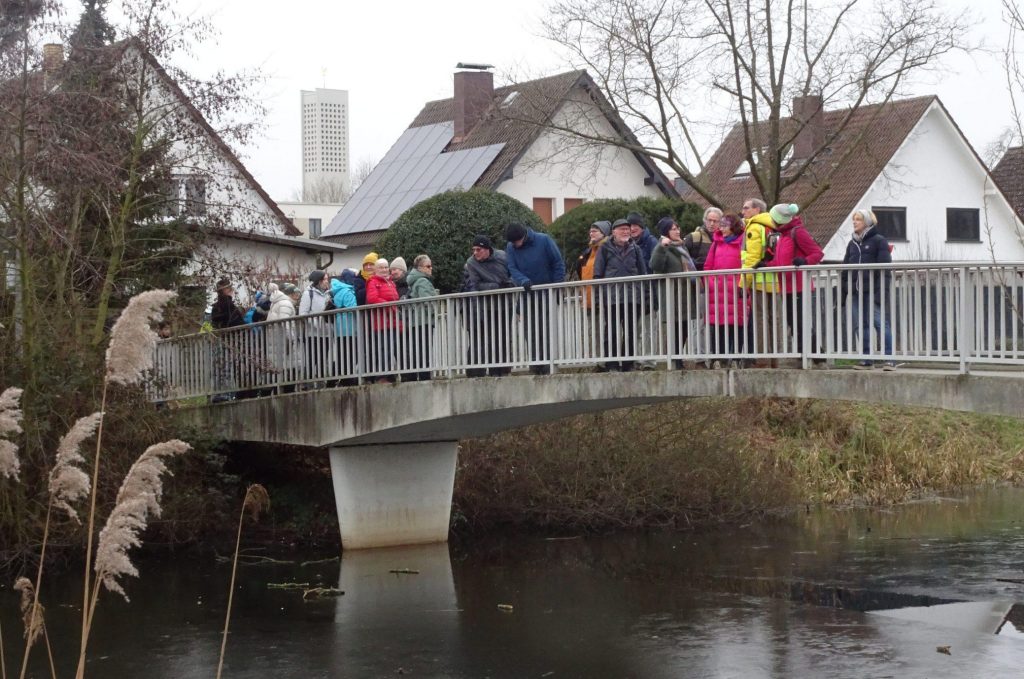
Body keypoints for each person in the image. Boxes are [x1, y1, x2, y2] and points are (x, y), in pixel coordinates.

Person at [764, 204, 825, 361]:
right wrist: (765, 265)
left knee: (800, 322)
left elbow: (817, 253)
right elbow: (781, 262)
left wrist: (804, 261)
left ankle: (811, 355)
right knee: (793, 321)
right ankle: (810, 354)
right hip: (787, 286)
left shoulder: (797, 232)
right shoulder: (783, 235)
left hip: (799, 285)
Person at [504, 222, 565, 375]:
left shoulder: (543, 240)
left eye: (517, 241)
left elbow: (558, 263)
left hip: (546, 291)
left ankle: (548, 365)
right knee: (529, 331)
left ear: (524, 236)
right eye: (513, 242)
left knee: (546, 329)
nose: (516, 245)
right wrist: (522, 280)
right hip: (526, 293)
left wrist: (557, 288)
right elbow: (512, 268)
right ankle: (535, 364)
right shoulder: (511, 247)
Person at [842, 208, 895, 370]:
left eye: (858, 219)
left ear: (867, 222)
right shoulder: (852, 243)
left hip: (872, 291)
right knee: (860, 325)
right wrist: (844, 290)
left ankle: (889, 359)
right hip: (856, 292)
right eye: (854, 219)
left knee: (879, 323)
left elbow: (884, 269)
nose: (854, 222)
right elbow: (845, 268)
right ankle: (866, 359)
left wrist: (880, 293)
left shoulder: (879, 241)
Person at [593, 219, 646, 371]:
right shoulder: (604, 248)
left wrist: (646, 298)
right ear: (613, 232)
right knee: (612, 331)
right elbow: (598, 274)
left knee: (631, 331)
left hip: (632, 297)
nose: (626, 232)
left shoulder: (635, 249)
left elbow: (643, 274)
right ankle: (612, 363)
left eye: (628, 229)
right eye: (622, 229)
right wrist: (599, 299)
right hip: (612, 298)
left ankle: (628, 363)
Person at [704, 214, 753, 367]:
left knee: (737, 325)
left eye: (725, 225)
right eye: (722, 225)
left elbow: (746, 264)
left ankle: (736, 357)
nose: (722, 228)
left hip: (736, 290)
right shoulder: (716, 243)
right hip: (717, 291)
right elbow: (708, 266)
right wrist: (710, 283)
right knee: (718, 325)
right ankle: (720, 358)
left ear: (733, 227)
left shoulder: (742, 242)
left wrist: (743, 284)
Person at [462, 235, 514, 377]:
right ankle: (491, 369)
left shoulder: (502, 256)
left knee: (503, 337)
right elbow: (474, 286)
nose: (475, 252)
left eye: (478, 249)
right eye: (473, 249)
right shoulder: (472, 263)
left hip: (505, 304)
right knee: (490, 338)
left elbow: (514, 272)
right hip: (488, 306)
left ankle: (503, 369)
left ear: (487, 249)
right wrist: (496, 286)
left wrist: (510, 282)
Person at [650, 216, 697, 369]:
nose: (677, 231)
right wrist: (661, 247)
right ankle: (675, 361)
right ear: (666, 232)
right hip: (672, 295)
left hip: (685, 294)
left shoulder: (682, 246)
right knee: (674, 329)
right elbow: (655, 266)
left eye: (677, 228)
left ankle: (678, 359)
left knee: (684, 328)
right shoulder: (662, 247)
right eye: (673, 229)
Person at [741, 201, 781, 361]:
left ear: (756, 210)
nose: (743, 211)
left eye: (746, 208)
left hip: (759, 280)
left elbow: (752, 257)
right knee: (774, 319)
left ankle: (762, 359)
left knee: (760, 319)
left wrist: (743, 282)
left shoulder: (754, 227)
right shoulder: (772, 225)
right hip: (774, 280)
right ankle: (775, 358)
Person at [365, 258, 401, 383]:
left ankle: (390, 374)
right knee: (383, 348)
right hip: (381, 321)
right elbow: (372, 298)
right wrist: (387, 305)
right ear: (375, 269)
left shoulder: (390, 282)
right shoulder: (373, 282)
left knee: (392, 348)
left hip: (392, 320)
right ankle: (381, 376)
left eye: (386, 267)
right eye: (381, 267)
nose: (385, 270)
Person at [404, 254, 439, 381]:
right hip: (424, 321)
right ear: (420, 268)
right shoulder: (423, 281)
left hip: (415, 322)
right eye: (428, 266)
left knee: (416, 349)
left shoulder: (413, 280)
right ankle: (425, 376)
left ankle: (413, 375)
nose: (431, 269)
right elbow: (428, 302)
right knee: (425, 350)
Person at [210, 278, 245, 401]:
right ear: (225, 290)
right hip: (229, 340)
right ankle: (227, 394)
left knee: (218, 368)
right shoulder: (228, 305)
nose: (232, 291)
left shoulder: (216, 307)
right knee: (227, 368)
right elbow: (236, 323)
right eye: (229, 289)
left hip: (219, 340)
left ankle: (218, 394)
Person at [298, 270, 332, 385]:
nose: (327, 281)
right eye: (325, 279)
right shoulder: (308, 294)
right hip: (312, 334)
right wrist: (316, 324)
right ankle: (308, 383)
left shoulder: (328, 293)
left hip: (326, 333)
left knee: (323, 360)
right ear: (318, 281)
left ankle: (322, 383)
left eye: (327, 279)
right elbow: (303, 313)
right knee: (312, 360)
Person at [265, 282, 298, 390]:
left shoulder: (276, 302)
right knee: (287, 368)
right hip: (283, 341)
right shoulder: (286, 304)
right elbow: (286, 323)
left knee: (277, 368)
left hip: (276, 339)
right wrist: (293, 339)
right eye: (295, 293)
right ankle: (288, 391)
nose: (297, 295)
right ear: (290, 294)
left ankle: (277, 390)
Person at [574, 220, 611, 309]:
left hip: (604, 302)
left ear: (603, 233)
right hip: (588, 302)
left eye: (594, 231)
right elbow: (579, 271)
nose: (591, 234)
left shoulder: (609, 250)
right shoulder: (587, 253)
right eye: (590, 231)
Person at [330, 272, 359, 384]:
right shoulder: (348, 292)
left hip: (339, 328)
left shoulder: (337, 291)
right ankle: (347, 379)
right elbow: (353, 308)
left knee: (342, 354)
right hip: (350, 328)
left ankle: (336, 379)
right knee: (352, 354)